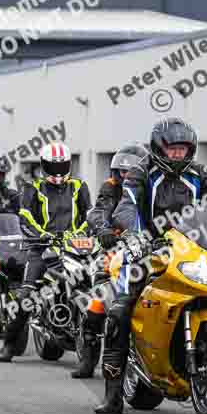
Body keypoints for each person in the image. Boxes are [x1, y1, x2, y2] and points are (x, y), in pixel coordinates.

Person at [94, 117, 207, 414]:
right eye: (173, 149)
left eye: (183, 149)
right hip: (149, 249)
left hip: (192, 249)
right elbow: (127, 206)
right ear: (160, 148)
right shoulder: (140, 172)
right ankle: (113, 393)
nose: (178, 155)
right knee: (119, 310)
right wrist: (134, 237)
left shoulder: (201, 174)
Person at [0, 142, 92, 363]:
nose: (58, 172)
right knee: (26, 296)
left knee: (96, 282)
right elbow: (25, 216)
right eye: (53, 166)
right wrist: (42, 235)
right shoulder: (32, 188)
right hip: (40, 248)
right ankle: (10, 344)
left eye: (62, 167)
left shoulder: (79, 187)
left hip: (74, 247)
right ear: (43, 165)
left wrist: (81, 233)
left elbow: (90, 215)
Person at [70, 144, 148, 379]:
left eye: (130, 171)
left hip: (150, 246)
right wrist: (103, 229)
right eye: (121, 172)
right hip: (115, 247)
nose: (125, 176)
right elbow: (98, 211)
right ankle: (88, 354)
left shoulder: (149, 188)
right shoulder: (110, 188)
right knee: (100, 295)